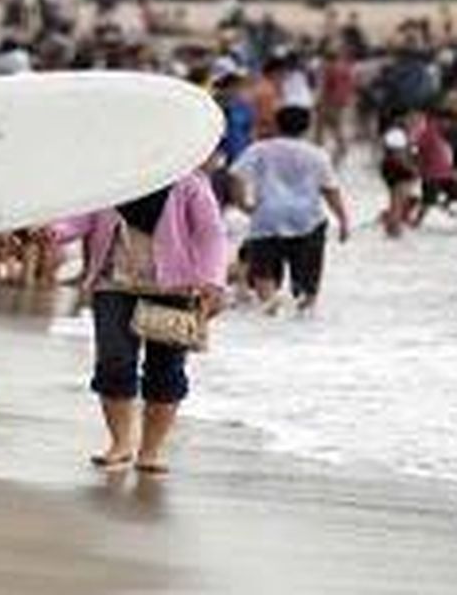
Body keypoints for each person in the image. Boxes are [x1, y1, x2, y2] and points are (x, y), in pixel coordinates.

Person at [72, 168, 228, 475]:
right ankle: (120, 444)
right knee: (114, 361)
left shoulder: (189, 184)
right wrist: (45, 231)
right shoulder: (113, 179)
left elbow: (210, 234)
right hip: (113, 284)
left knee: (166, 369)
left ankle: (150, 451)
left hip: (173, 287)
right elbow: (78, 218)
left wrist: (212, 281)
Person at [229, 106, 351, 314]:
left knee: (264, 279)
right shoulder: (317, 154)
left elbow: (235, 175)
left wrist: (243, 204)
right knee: (307, 290)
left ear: (277, 124)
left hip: (267, 219)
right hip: (307, 222)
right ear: (307, 127)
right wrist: (343, 220)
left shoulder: (260, 149)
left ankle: (269, 319)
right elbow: (330, 190)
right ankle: (301, 329)